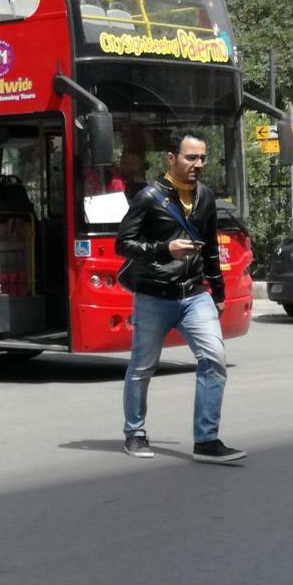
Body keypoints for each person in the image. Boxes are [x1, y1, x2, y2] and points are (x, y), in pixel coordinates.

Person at [115, 129, 245, 464]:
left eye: (202, 157)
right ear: (171, 158)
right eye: (191, 157)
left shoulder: (204, 197)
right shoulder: (148, 197)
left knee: (214, 359)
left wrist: (217, 292)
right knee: (143, 367)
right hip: (154, 295)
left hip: (195, 294)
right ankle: (135, 432)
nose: (198, 163)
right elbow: (123, 244)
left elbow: (211, 249)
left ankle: (206, 440)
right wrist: (164, 248)